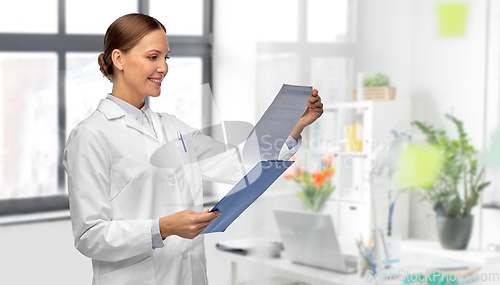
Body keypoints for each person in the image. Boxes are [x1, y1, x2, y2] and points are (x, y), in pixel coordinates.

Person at [63, 13, 323, 285]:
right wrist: (163, 228)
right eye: (153, 57)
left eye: (166, 57)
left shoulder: (173, 127)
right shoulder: (91, 135)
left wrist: (294, 126)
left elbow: (241, 164)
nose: (163, 67)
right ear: (119, 59)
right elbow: (89, 236)